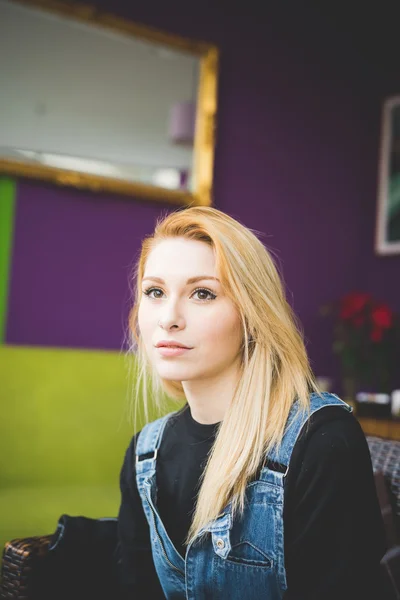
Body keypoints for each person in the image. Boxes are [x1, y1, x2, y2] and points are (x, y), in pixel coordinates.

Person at [115, 206, 387, 599]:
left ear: (252, 315)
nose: (169, 318)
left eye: (202, 293)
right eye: (154, 292)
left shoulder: (322, 441)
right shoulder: (145, 455)